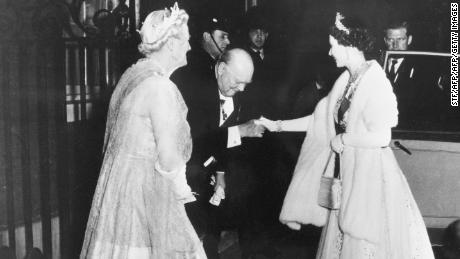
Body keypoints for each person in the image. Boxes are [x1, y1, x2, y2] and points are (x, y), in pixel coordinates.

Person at [258, 12, 434, 258]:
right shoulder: (346, 80)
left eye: (333, 46)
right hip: (349, 174)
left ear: (348, 44)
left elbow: (382, 137)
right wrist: (277, 125)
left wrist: (344, 139)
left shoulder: (376, 82)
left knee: (366, 244)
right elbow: (319, 121)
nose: (330, 53)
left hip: (373, 178)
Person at [80, 4, 206, 258]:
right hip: (145, 195)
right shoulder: (160, 88)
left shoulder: (134, 77)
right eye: (187, 41)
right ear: (171, 45)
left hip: (122, 194)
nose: (190, 48)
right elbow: (168, 158)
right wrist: (182, 192)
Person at [182, 48, 265, 259]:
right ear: (220, 69)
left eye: (246, 84)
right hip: (186, 169)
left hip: (210, 170)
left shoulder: (235, 95)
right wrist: (241, 130)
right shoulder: (195, 90)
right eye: (238, 81)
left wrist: (220, 173)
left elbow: (223, 144)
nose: (242, 89)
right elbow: (198, 140)